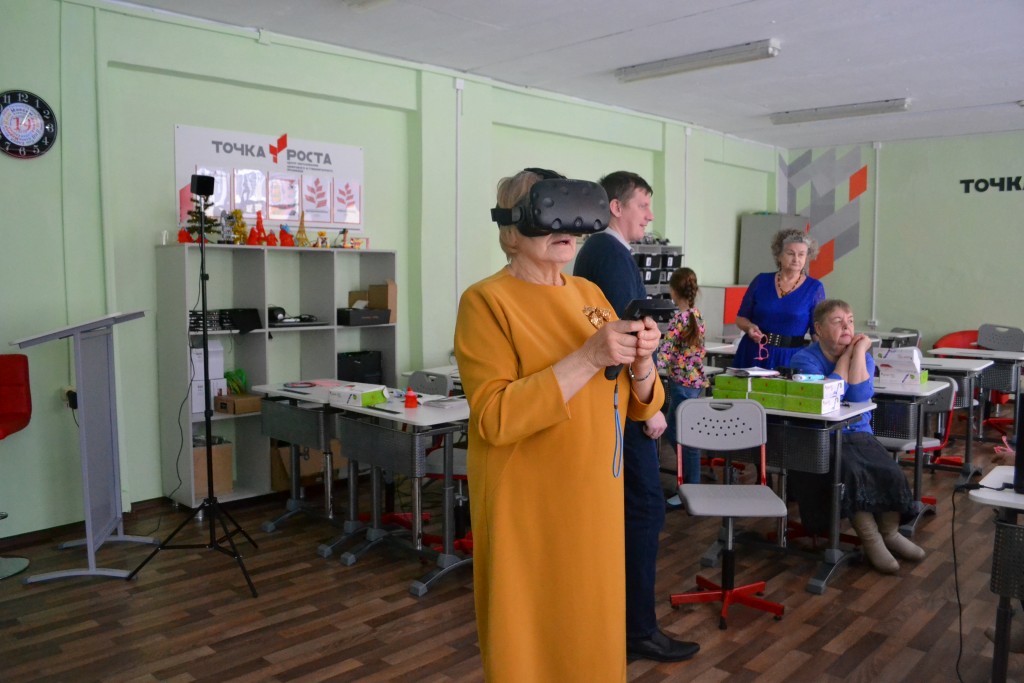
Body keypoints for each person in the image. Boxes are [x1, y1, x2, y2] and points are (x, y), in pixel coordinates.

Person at [454, 168, 666, 681]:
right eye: (551, 212)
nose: (566, 227)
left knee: (592, 637)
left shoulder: (589, 293)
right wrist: (589, 357)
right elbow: (495, 416)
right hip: (531, 509)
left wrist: (641, 362)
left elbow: (639, 405)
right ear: (513, 226)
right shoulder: (486, 301)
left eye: (576, 214)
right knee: (533, 642)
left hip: (596, 501)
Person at [573, 171, 700, 663]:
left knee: (632, 513)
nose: (650, 215)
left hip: (619, 404)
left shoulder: (603, 253)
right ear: (616, 207)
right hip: (627, 410)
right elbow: (628, 339)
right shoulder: (608, 253)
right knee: (645, 510)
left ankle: (621, 623)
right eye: (643, 205)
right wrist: (651, 408)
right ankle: (638, 630)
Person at [788, 299, 925, 574]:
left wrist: (859, 352)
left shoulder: (864, 356)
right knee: (851, 473)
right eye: (837, 321)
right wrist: (846, 357)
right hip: (821, 437)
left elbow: (860, 395)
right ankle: (871, 539)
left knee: (890, 470)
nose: (847, 327)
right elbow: (832, 394)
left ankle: (890, 533)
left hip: (858, 433)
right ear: (818, 329)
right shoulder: (804, 359)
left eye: (850, 321)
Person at [733, 228, 825, 370]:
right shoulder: (761, 281)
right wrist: (749, 327)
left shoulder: (814, 288)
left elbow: (817, 332)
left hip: (790, 357)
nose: (796, 259)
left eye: (801, 254)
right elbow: (741, 318)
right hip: (754, 352)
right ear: (779, 255)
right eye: (790, 253)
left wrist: (825, 361)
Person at [656, 267, 707, 484]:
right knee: (678, 431)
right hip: (695, 382)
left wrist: (649, 368)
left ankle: (690, 483)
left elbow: (665, 351)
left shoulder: (678, 319)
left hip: (681, 383)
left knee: (682, 435)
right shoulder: (696, 315)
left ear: (673, 291)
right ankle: (687, 478)